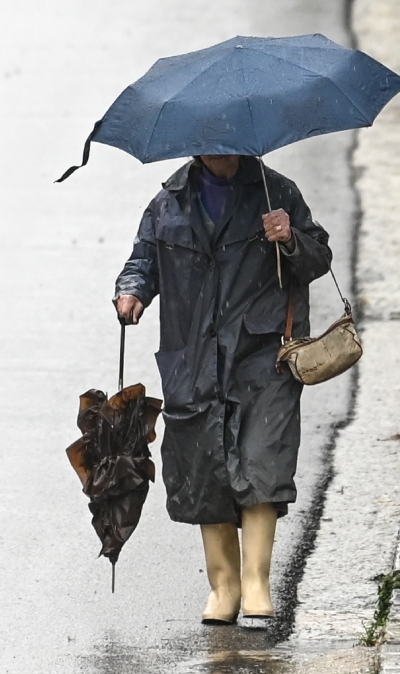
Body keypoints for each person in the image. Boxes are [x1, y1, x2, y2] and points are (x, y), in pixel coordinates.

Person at [114, 154, 331, 624]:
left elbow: (318, 258)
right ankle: (224, 586)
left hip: (262, 352)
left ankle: (256, 582)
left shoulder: (279, 192)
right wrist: (131, 291)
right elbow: (142, 261)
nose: (220, 152)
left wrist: (290, 237)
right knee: (205, 466)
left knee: (263, 459)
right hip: (193, 356)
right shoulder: (167, 204)